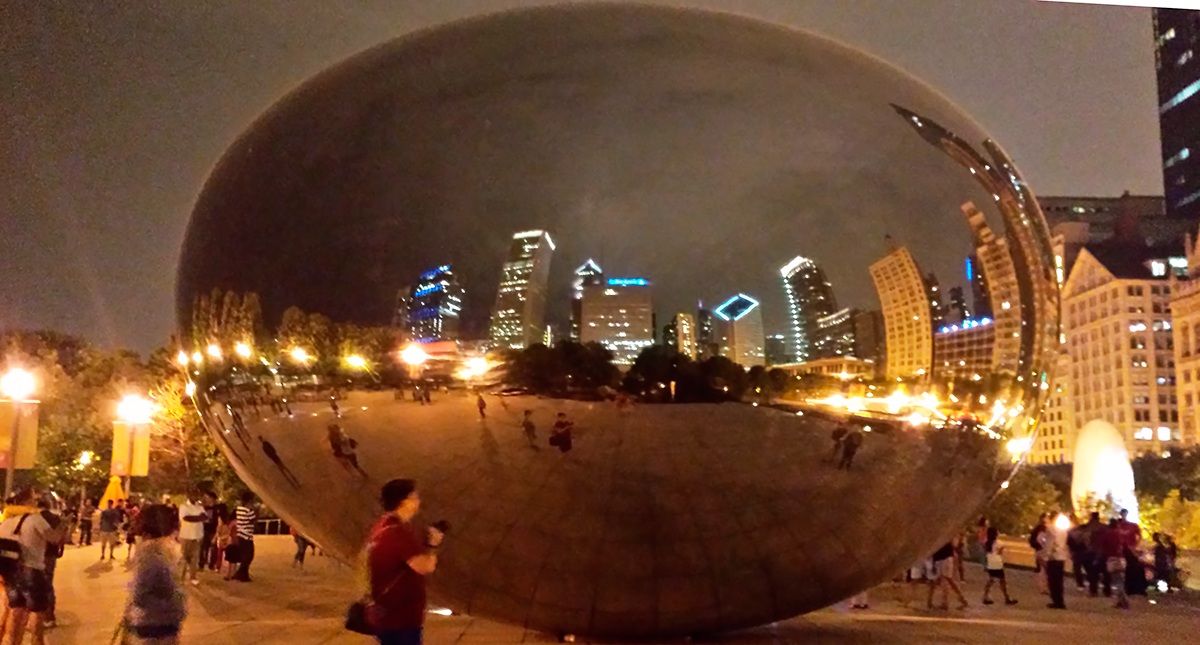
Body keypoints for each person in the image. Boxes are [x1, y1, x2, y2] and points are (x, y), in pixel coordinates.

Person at [365, 479, 444, 644]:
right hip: (401, 617)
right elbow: (425, 566)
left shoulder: (382, 526)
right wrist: (433, 544)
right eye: (414, 497)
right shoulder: (398, 533)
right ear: (403, 502)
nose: (418, 501)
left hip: (386, 612)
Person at [0, 488, 61, 645]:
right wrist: (63, 527)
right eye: (33, 499)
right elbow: (54, 539)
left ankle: (13, 642)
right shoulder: (35, 520)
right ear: (27, 501)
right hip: (32, 570)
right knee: (37, 610)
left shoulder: (5, 522)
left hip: (11, 572)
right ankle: (36, 641)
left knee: (16, 610)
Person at [123, 504, 187, 644]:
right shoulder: (168, 549)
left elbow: (140, 593)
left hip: (152, 621)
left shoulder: (150, 551)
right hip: (165, 619)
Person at [36, 496, 67, 628]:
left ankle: (39, 616)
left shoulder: (35, 519)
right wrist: (61, 549)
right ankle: (50, 616)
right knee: (48, 583)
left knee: (37, 584)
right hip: (51, 555)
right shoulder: (56, 519)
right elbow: (62, 535)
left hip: (38, 554)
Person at [1097, 517, 1130, 609]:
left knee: (1117, 581)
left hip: (1112, 558)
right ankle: (1121, 601)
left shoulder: (1108, 534)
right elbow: (1126, 546)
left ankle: (1124, 601)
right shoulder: (1121, 534)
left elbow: (1102, 547)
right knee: (1121, 580)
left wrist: (1099, 557)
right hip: (1121, 558)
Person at [981, 527, 1017, 605]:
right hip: (997, 562)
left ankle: (985, 596)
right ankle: (1007, 597)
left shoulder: (987, 543)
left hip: (990, 561)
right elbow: (1000, 553)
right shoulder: (998, 543)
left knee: (991, 580)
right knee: (1002, 581)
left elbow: (986, 553)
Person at [927, 542, 968, 610]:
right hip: (941, 558)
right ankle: (943, 602)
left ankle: (962, 599)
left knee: (946, 578)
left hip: (945, 557)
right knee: (941, 580)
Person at [177, 490, 206, 586]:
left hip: (197, 535)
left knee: (195, 558)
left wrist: (195, 518)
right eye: (193, 494)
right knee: (184, 557)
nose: (195, 496)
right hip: (186, 535)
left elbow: (205, 517)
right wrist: (198, 518)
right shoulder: (184, 506)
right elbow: (186, 518)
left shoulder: (200, 507)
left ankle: (193, 577)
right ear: (188, 495)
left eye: (196, 494)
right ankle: (181, 577)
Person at [1044, 513, 1069, 609]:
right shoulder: (1063, 530)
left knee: (1053, 581)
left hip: (1053, 557)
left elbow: (1049, 544)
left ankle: (1056, 601)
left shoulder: (1051, 529)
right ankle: (1060, 601)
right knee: (1059, 580)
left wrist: (1046, 556)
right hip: (1061, 557)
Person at [231, 493, 257, 582]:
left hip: (240, 534)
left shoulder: (239, 509)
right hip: (247, 535)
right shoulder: (249, 510)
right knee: (249, 556)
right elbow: (253, 520)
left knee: (245, 555)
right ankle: (241, 573)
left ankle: (243, 574)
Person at [1028, 513, 1049, 594]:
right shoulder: (1038, 530)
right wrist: (1038, 547)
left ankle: (1044, 587)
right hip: (1041, 551)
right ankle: (1044, 587)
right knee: (1043, 569)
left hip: (1042, 551)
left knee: (1042, 569)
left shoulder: (1046, 529)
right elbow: (1032, 540)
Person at [198, 492, 220, 572]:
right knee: (203, 547)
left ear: (212, 498)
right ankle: (202, 564)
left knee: (214, 548)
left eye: (207, 497)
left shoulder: (217, 508)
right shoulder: (204, 508)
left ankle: (212, 564)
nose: (206, 499)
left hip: (213, 529)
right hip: (204, 529)